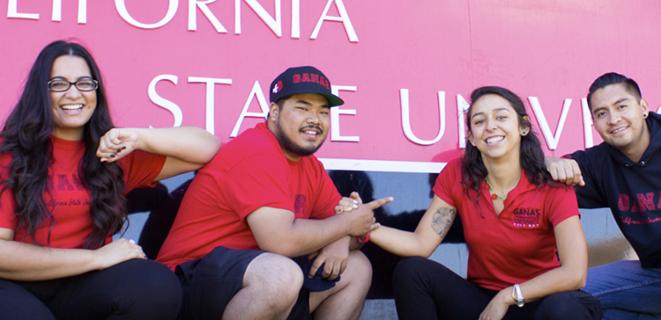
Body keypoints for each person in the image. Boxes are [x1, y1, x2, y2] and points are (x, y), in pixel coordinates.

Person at [0, 40, 220, 320]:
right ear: (40, 93)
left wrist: (140, 137)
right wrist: (96, 258)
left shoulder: (111, 152)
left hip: (80, 286)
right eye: (58, 84)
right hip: (16, 285)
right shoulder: (9, 154)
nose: (73, 94)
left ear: (96, 91)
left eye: (84, 83)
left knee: (154, 285)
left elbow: (207, 147)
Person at [157, 66, 391, 320]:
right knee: (281, 274)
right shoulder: (256, 151)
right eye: (302, 108)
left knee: (356, 268)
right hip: (188, 282)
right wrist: (345, 224)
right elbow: (279, 241)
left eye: (323, 112)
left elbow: (356, 230)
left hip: (256, 281)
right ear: (274, 112)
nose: (315, 119)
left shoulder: (310, 166)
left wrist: (341, 239)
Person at [369, 86, 602, 320]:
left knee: (567, 308)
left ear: (523, 127)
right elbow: (420, 244)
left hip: (538, 301)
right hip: (482, 302)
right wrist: (362, 227)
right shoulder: (458, 174)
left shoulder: (552, 182)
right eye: (479, 121)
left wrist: (508, 296)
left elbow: (574, 273)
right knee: (412, 271)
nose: (490, 126)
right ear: (471, 137)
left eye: (501, 117)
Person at [547, 72, 661, 319]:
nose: (613, 119)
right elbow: (529, 177)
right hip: (653, 274)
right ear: (594, 123)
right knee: (565, 299)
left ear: (643, 107)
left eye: (621, 106)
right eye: (602, 113)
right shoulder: (599, 162)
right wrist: (550, 162)